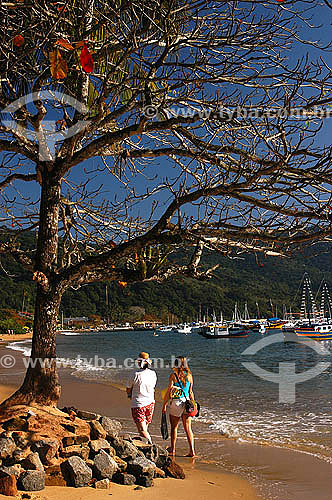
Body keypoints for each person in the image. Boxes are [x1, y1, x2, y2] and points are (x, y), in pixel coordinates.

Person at [162, 356, 196, 457]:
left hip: (176, 403)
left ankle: (173, 450)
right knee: (188, 428)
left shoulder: (173, 375)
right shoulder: (189, 375)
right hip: (186, 403)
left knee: (174, 428)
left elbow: (169, 392)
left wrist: (164, 404)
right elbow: (190, 392)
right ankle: (192, 451)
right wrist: (193, 403)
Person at [126, 351, 157, 444]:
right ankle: (145, 446)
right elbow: (153, 386)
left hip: (138, 404)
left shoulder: (135, 374)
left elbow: (128, 388)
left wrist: (129, 395)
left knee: (142, 430)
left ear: (139, 362)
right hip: (150, 402)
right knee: (144, 428)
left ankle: (151, 446)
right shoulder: (153, 373)